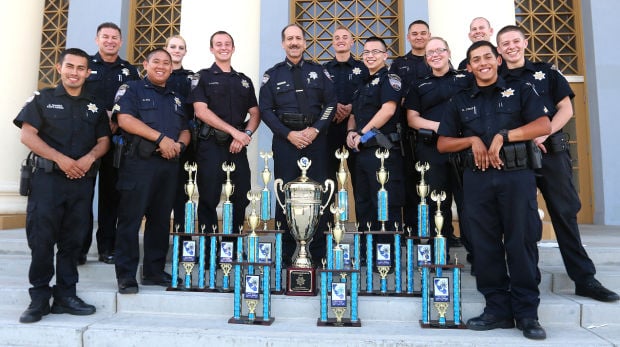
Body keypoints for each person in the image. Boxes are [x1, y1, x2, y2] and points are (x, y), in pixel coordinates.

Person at [437, 40, 551, 340]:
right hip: (477, 179)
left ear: (498, 60)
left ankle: (527, 314)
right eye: (476, 59)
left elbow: (543, 125)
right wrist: (471, 141)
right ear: (469, 66)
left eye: (488, 57)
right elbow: (443, 142)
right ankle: (497, 310)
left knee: (521, 243)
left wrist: (504, 135)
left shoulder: (521, 89)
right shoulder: (459, 100)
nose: (483, 63)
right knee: (484, 246)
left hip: (516, 177)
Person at [497, 25, 619, 302]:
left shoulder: (547, 72)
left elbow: (566, 108)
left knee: (564, 214)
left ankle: (584, 278)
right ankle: (527, 281)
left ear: (525, 42)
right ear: (499, 48)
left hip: (551, 153)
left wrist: (543, 132)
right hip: (517, 157)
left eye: (515, 41)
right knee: (522, 220)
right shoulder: (497, 79)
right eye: (505, 43)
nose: (511, 46)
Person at [14, 48, 110, 323]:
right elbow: (27, 135)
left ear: (87, 73)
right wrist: (60, 159)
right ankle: (39, 298)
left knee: (73, 241)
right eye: (70, 66)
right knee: (42, 241)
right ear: (59, 68)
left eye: (81, 68)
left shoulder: (93, 104)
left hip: (81, 182)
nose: (75, 72)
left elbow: (103, 140)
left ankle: (66, 295)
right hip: (47, 181)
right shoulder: (42, 99)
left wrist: (90, 158)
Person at [113, 48, 191, 294]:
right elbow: (124, 120)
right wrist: (160, 139)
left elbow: (186, 129)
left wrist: (178, 145)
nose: (161, 66)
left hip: (168, 165)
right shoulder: (132, 89)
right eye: (156, 61)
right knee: (130, 220)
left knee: (160, 221)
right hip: (139, 164)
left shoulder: (176, 97)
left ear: (171, 67)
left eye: (166, 63)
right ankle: (126, 276)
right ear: (145, 65)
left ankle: (153, 271)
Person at [259, 24, 337, 265]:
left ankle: (320, 253)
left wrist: (315, 130)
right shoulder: (272, 75)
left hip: (316, 141)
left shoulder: (319, 71)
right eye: (289, 39)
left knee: (321, 194)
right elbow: (265, 110)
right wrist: (288, 134)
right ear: (283, 44)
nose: (294, 42)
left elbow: (331, 104)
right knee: (284, 196)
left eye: (298, 38)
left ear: (305, 43)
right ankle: (284, 252)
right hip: (286, 142)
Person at [405, 37, 473, 260]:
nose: (434, 55)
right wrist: (441, 127)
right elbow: (413, 119)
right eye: (429, 52)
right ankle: (439, 254)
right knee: (437, 203)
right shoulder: (419, 84)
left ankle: (476, 255)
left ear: (449, 52)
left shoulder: (467, 79)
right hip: (431, 150)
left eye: (439, 50)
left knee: (469, 203)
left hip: (463, 148)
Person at [188, 31, 260, 240]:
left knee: (241, 195)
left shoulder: (243, 81)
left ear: (233, 48)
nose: (223, 47)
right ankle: (209, 250)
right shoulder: (202, 77)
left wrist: (244, 135)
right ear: (212, 49)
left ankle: (231, 246)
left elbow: (255, 113)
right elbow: (201, 111)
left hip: (237, 148)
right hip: (210, 145)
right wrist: (235, 132)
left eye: (227, 44)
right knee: (209, 197)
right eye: (218, 44)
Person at [81, 22, 140, 265]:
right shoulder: (84, 66)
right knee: (82, 196)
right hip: (86, 140)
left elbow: (134, 101)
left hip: (117, 141)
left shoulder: (129, 70)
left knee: (110, 197)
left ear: (121, 41)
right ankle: (79, 248)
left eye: (114, 37)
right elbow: (76, 95)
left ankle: (107, 247)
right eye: (105, 37)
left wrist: (115, 117)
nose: (110, 41)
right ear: (97, 40)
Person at [346, 36, 404, 258]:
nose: (370, 56)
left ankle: (385, 256)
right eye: (366, 52)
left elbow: (388, 110)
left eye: (375, 52)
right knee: (364, 203)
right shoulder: (361, 85)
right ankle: (365, 253)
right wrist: (351, 132)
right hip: (362, 152)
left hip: (383, 151)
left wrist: (362, 133)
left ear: (385, 55)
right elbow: (353, 115)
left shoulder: (390, 79)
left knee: (385, 204)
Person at [389, 20, 435, 241]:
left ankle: (439, 230)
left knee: (434, 182)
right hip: (408, 133)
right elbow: (394, 95)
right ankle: (410, 229)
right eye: (414, 33)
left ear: (429, 35)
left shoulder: (436, 58)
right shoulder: (399, 64)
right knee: (409, 182)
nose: (419, 37)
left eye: (423, 33)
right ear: (408, 37)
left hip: (435, 132)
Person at [323, 26, 368, 187]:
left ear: (352, 42)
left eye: (344, 37)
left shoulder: (363, 68)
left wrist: (352, 108)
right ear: (332, 44)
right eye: (337, 38)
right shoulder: (323, 70)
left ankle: (362, 213)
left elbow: (368, 95)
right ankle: (328, 212)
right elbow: (317, 97)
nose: (340, 40)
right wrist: (333, 107)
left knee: (359, 176)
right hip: (330, 128)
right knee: (328, 176)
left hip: (356, 129)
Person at [164, 35, 199, 232]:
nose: (177, 50)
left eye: (181, 47)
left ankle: (183, 241)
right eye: (173, 46)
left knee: (184, 193)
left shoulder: (192, 79)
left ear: (185, 52)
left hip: (185, 143)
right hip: (157, 143)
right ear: (166, 48)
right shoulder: (156, 74)